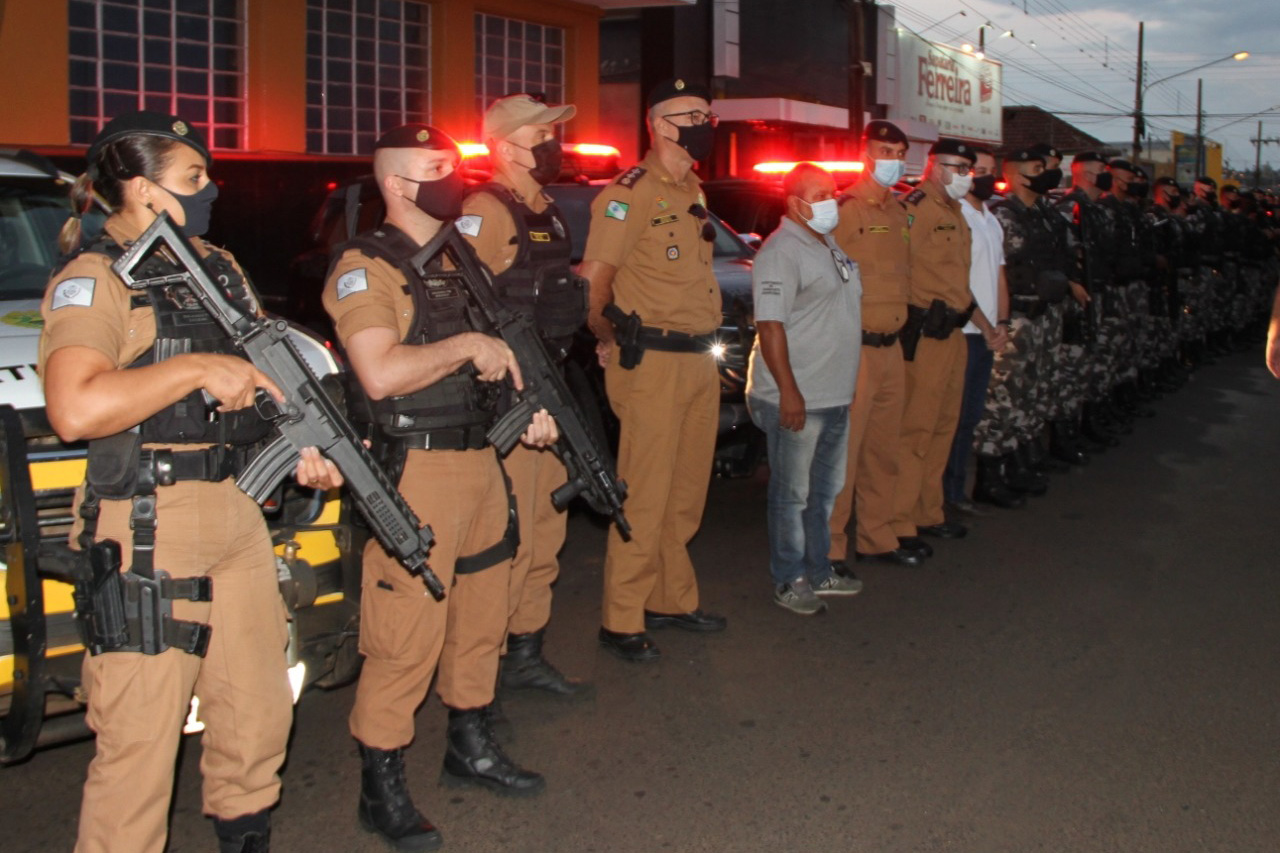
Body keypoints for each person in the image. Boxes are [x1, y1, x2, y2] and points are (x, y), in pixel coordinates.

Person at [39, 111, 343, 853]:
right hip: (148, 524)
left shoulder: (219, 266)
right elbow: (75, 407)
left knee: (256, 718)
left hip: (238, 512)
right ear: (142, 190)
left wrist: (306, 445)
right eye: (193, 179)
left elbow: (261, 375)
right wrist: (193, 368)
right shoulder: (95, 278)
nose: (211, 192)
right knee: (139, 747)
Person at [323, 123, 558, 850]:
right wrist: (464, 346)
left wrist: (533, 411)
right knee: (406, 636)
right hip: (416, 470)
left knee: (482, 615)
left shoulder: (460, 259)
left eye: (453, 164)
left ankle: (470, 742)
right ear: (396, 184)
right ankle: (381, 782)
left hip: (481, 459)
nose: (451, 177)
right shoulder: (366, 266)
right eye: (434, 167)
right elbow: (381, 373)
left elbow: (501, 352)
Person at [582, 78, 727, 663]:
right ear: (662, 125)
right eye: (695, 115)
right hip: (653, 363)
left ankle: (670, 598)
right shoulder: (629, 191)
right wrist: (608, 338)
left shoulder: (693, 188)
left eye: (709, 114)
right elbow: (593, 280)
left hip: (697, 359)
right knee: (644, 493)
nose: (707, 124)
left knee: (686, 491)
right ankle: (621, 617)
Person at [459, 93, 589, 696]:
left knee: (545, 527)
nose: (553, 145)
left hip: (551, 385)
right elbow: (463, 307)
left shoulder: (548, 209)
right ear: (506, 146)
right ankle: (483, 670)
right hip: (510, 398)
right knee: (509, 535)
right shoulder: (486, 210)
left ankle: (526, 650)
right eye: (541, 135)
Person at [745, 162, 862, 616]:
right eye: (819, 195)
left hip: (833, 394)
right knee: (791, 496)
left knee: (823, 493)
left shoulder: (826, 242)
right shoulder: (781, 251)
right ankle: (788, 578)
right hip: (798, 398)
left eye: (832, 193)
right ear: (793, 204)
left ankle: (819, 569)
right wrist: (789, 392)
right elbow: (770, 324)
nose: (830, 202)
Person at [827, 120, 922, 569]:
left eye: (898, 151)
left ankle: (877, 537)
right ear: (865, 153)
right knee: (844, 453)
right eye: (884, 150)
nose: (892, 159)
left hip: (892, 348)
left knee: (884, 450)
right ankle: (830, 546)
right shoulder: (844, 208)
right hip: (855, 350)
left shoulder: (899, 211)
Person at [892, 138, 976, 552]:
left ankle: (929, 511)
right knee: (915, 430)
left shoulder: (956, 212)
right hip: (925, 335)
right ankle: (900, 520)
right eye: (956, 166)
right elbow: (900, 268)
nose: (964, 175)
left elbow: (958, 279)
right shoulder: (916, 208)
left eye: (968, 168)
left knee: (944, 426)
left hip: (954, 333)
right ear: (932, 165)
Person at [944, 146, 1016, 513]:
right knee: (952, 419)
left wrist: (1002, 323)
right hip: (964, 333)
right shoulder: (956, 216)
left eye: (991, 170)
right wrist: (987, 326)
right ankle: (946, 496)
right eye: (978, 170)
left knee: (970, 415)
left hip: (987, 333)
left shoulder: (989, 216)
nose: (986, 176)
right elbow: (956, 283)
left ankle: (958, 492)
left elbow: (999, 276)